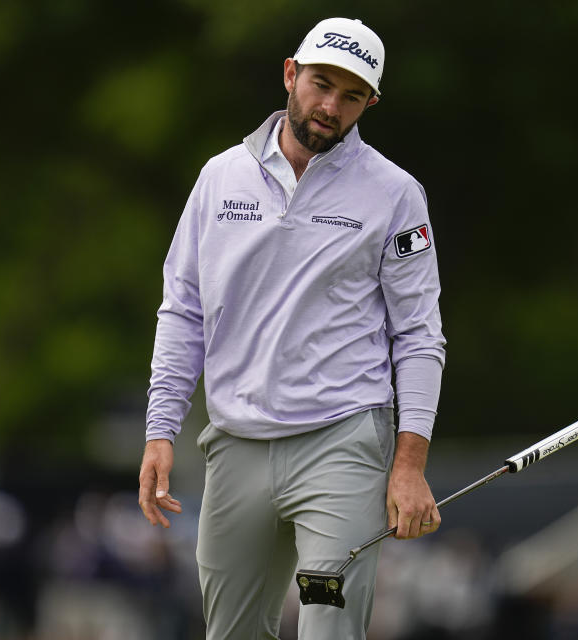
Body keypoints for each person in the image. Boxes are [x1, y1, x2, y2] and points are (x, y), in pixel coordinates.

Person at [138, 17, 446, 639]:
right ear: (290, 74)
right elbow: (183, 311)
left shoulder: (395, 195)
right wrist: (160, 429)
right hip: (234, 447)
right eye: (320, 84)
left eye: (351, 95)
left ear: (370, 103)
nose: (330, 106)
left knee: (328, 630)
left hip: (342, 446)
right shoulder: (219, 177)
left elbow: (419, 335)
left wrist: (409, 465)